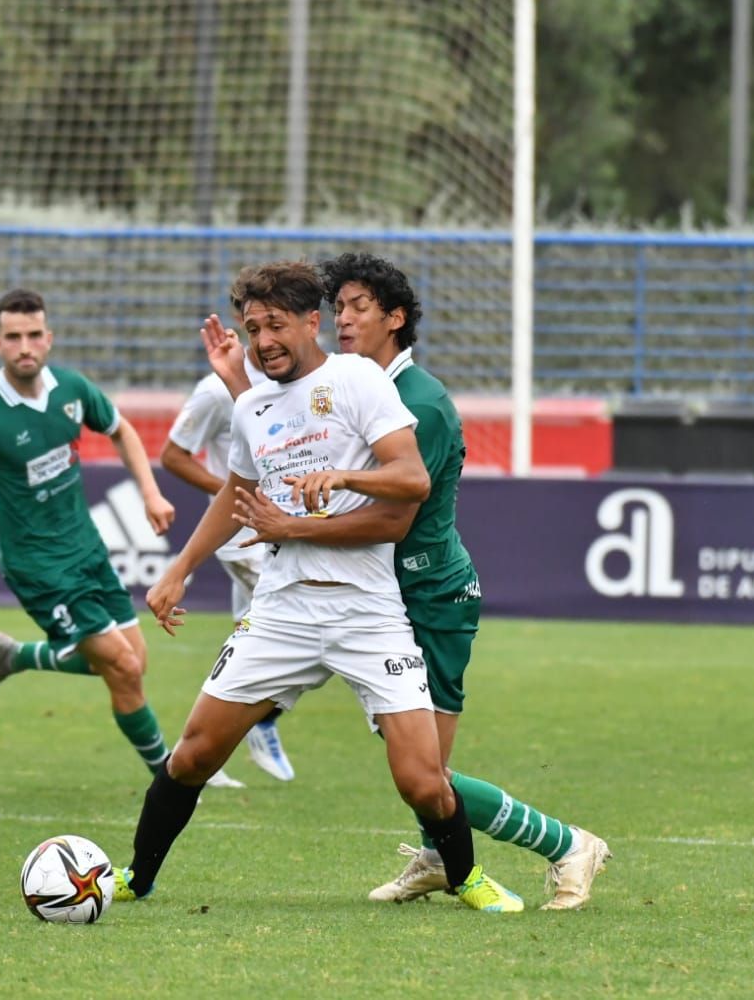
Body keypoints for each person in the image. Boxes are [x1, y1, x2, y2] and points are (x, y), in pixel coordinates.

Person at [114, 259, 518, 912]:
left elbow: (410, 480)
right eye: (252, 328)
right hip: (281, 612)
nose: (264, 339)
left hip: (367, 612)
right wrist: (179, 566)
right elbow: (237, 493)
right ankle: (135, 878)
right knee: (192, 755)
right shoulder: (249, 406)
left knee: (420, 780)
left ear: (311, 322)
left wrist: (336, 482)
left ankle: (466, 877)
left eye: (275, 324)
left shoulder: (357, 379)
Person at [217, 252, 611, 910]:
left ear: (395, 319)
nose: (343, 320)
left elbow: (394, 514)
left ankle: (567, 844)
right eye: (337, 308)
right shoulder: (350, 389)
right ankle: (437, 858)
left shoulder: (417, 403)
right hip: (386, 597)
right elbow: (279, 440)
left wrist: (305, 514)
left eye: (358, 308)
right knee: (415, 765)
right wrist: (241, 383)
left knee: (426, 771)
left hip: (429, 596)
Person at [0, 288, 225, 783]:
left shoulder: (73, 390)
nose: (25, 346)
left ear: (49, 338)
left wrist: (149, 493)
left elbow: (121, 430)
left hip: (87, 549)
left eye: (34, 335)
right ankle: (170, 779)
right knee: (122, 668)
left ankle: (15, 656)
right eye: (14, 337)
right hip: (39, 567)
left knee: (134, 662)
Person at [160, 342, 294, 783]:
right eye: (258, 325)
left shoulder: (296, 380)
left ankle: (199, 747)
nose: (269, 337)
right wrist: (235, 489)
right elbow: (173, 455)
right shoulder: (215, 392)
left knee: (247, 643)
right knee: (299, 626)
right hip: (244, 537)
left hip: (282, 529)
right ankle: (257, 723)